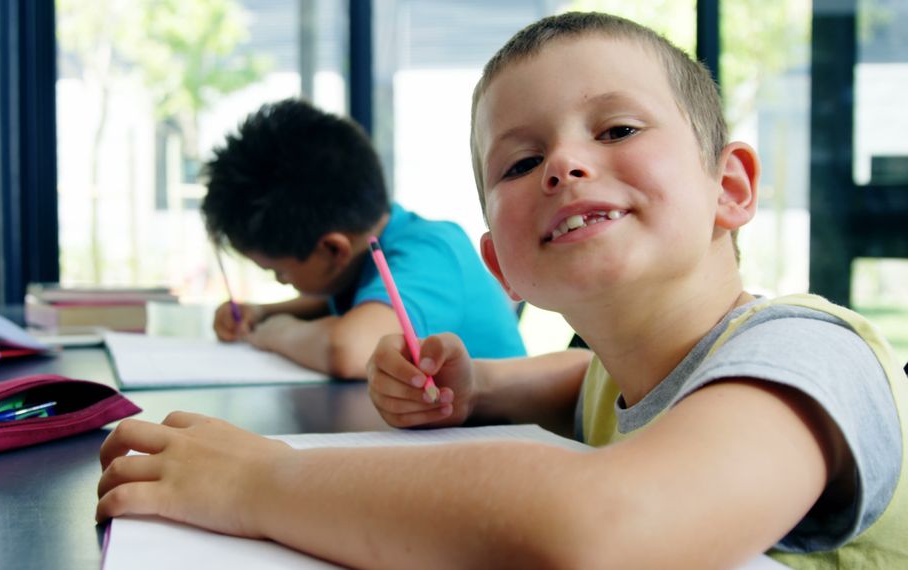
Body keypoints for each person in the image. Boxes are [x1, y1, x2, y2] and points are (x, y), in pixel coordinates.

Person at [96, 12, 908, 567]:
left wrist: (257, 484)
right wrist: (477, 388)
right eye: (520, 163)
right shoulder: (629, 370)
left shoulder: (808, 353)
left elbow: (608, 528)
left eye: (617, 129)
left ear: (729, 187)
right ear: (501, 263)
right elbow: (589, 384)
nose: (563, 164)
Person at [199, 98, 526, 378]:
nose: (283, 282)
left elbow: (348, 350)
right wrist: (263, 312)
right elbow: (338, 300)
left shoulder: (431, 251)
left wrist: (274, 331)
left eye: (279, 272)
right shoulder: (376, 243)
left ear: (332, 248)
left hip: (507, 435)